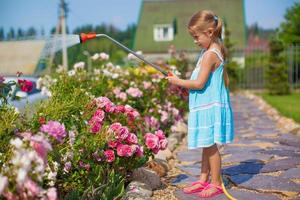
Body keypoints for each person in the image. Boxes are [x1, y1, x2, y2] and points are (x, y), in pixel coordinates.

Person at [166, 10, 235, 198]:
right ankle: (203, 179)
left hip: (209, 108)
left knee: (211, 147)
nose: (195, 41)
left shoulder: (210, 55)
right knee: (207, 144)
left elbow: (199, 83)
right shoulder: (208, 51)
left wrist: (178, 81)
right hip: (205, 106)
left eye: (196, 37)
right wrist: (180, 81)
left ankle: (216, 182)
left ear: (210, 32)